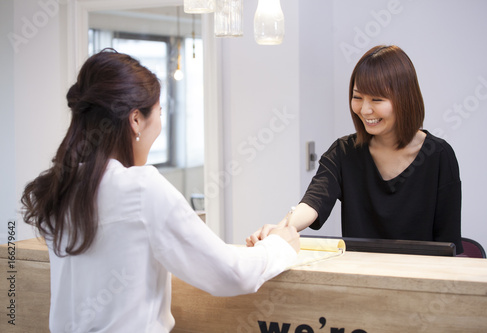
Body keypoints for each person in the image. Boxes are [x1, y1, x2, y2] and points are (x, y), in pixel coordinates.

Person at [21, 49, 300, 332]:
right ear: (135, 120)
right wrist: (278, 245)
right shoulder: (141, 189)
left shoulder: (59, 187)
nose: (160, 124)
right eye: (159, 112)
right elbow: (231, 273)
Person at [247, 45, 463, 254]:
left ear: (405, 99)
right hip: (360, 276)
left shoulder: (438, 156)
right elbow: (313, 202)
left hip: (420, 280)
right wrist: (280, 229)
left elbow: (448, 243)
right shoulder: (344, 152)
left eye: (377, 99)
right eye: (358, 97)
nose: (365, 109)